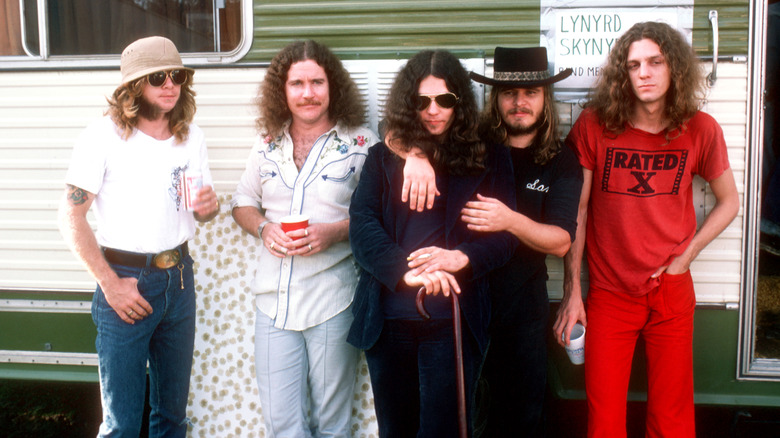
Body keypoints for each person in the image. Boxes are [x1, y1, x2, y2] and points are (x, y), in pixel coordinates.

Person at [553, 22, 740, 438]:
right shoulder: (594, 125)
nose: (644, 73)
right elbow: (577, 213)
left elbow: (730, 202)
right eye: (634, 64)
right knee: (603, 421)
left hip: (670, 290)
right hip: (610, 292)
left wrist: (684, 258)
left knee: (672, 420)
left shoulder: (700, 129)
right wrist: (572, 292)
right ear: (624, 73)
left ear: (674, 68)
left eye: (655, 62)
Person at [348, 49, 517, 437]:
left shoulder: (490, 159)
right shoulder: (382, 158)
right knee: (396, 429)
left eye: (445, 100)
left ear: (460, 101)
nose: (433, 110)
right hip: (390, 318)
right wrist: (405, 272)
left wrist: (460, 256)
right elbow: (362, 226)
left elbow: (504, 238)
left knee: (444, 430)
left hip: (453, 320)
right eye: (421, 101)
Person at [58, 36, 220, 437]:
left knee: (171, 418)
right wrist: (111, 285)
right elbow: (70, 216)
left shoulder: (190, 136)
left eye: (177, 76)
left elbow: (202, 213)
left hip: (179, 279)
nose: (170, 85)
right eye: (158, 77)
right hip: (126, 282)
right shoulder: (103, 136)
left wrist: (207, 207)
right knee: (121, 425)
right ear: (133, 87)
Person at [230, 40, 378, 437]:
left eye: (317, 82)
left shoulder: (362, 144)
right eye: (297, 83)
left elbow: (380, 216)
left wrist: (334, 232)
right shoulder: (266, 144)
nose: (308, 93)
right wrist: (264, 227)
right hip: (273, 302)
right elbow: (242, 201)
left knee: (332, 422)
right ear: (283, 90)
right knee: (282, 424)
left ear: (333, 87)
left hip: (333, 299)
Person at [463, 47, 582, 436]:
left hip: (524, 308)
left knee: (522, 416)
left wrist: (509, 220)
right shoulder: (471, 150)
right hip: (468, 301)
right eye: (509, 93)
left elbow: (562, 241)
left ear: (544, 98)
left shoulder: (560, 161)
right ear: (495, 100)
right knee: (467, 412)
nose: (519, 102)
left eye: (531, 92)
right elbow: (408, 131)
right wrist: (410, 151)